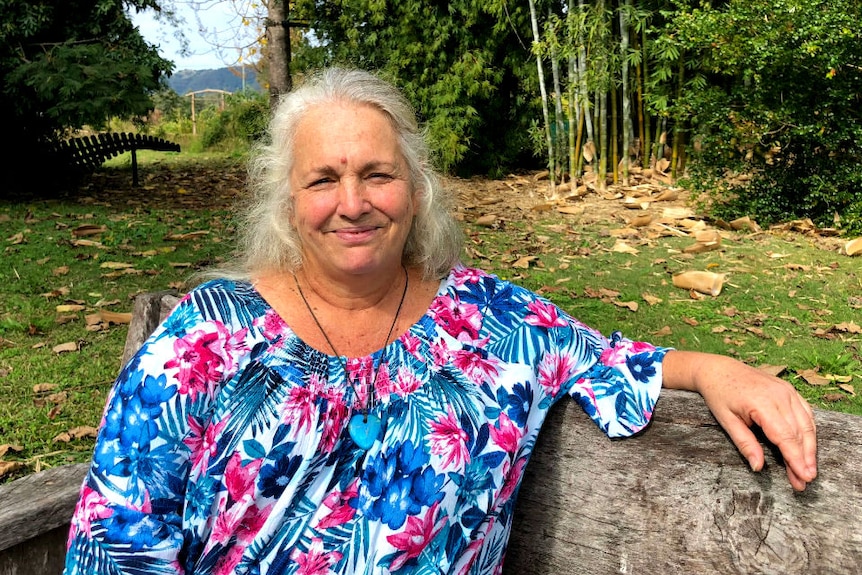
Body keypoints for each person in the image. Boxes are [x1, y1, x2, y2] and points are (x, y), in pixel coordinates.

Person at [63, 67, 817, 575]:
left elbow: (611, 358)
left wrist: (715, 368)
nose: (353, 202)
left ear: (416, 190)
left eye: (378, 174)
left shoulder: (494, 325)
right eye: (323, 179)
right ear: (288, 203)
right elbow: (113, 537)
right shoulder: (203, 338)